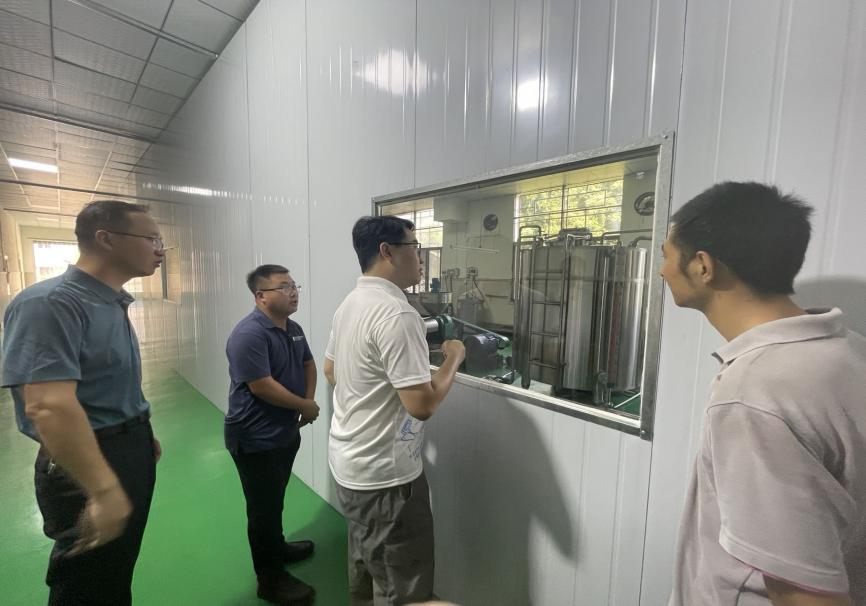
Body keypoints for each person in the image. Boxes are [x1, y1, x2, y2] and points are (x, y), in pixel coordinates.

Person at [662, 182, 866, 606]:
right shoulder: (849, 349)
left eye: (666, 255)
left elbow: (804, 595)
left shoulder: (754, 392)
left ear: (702, 266)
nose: (662, 271)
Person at [1, 200, 165, 605]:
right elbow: (47, 407)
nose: (160, 249)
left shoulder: (110, 300)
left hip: (127, 446)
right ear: (105, 239)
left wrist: (140, 433)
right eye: (151, 238)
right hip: (85, 459)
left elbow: (105, 382)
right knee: (86, 584)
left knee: (114, 569)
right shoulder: (51, 303)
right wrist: (103, 490)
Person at [324, 215, 466, 605]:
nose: (420, 258)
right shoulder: (398, 314)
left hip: (349, 464)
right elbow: (421, 405)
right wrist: (454, 357)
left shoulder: (350, 304)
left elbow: (332, 371)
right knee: (404, 588)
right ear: (387, 251)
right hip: (386, 480)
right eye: (414, 248)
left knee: (368, 562)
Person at [225, 264, 319, 605]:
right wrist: (305, 406)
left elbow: (308, 364)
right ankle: (270, 580)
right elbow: (261, 386)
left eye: (294, 285)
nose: (293, 292)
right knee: (262, 510)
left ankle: (277, 548)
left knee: (274, 498)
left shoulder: (293, 329)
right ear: (261, 296)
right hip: (255, 438)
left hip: (284, 432)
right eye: (284, 287)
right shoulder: (249, 334)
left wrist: (306, 402)